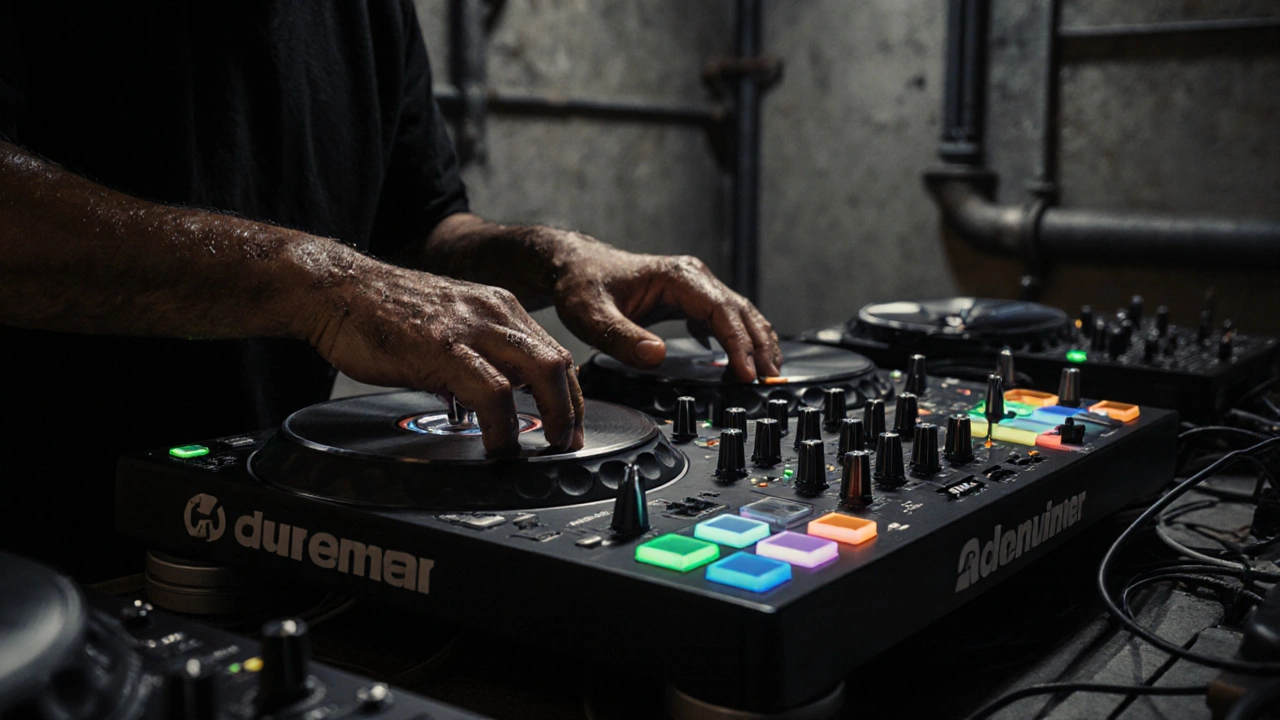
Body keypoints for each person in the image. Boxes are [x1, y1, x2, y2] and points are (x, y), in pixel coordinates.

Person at [0, 1, 779, 579]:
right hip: (44, 561)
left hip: (270, 529)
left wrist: (557, 259)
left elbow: (421, 229)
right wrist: (316, 281)